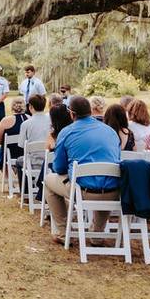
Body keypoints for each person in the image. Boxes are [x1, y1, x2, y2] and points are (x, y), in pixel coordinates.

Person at [43, 96, 121, 243]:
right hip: (114, 191)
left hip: (83, 191)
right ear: (91, 111)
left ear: (71, 114)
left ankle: (62, 232)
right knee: (105, 179)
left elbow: (58, 168)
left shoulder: (67, 132)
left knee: (48, 181)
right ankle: (97, 234)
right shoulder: (110, 131)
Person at [0, 96, 28, 172]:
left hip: (11, 153)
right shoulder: (30, 119)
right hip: (26, 152)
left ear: (12, 107)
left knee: (0, 151)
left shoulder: (5, 121)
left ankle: (7, 177)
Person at [19, 94, 51, 166]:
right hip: (49, 160)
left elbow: (21, 145)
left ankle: (25, 177)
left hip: (32, 162)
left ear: (30, 107)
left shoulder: (25, 124)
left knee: (19, 161)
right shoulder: (52, 121)